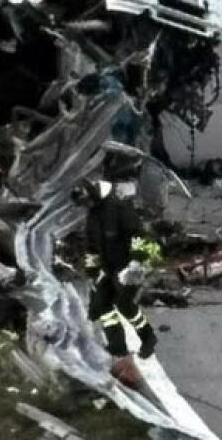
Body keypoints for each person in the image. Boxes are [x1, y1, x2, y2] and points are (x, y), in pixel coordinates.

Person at [76, 152, 157, 390]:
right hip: (109, 268)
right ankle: (118, 348)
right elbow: (91, 247)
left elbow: (139, 235)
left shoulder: (119, 208)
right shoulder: (93, 216)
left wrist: (136, 264)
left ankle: (148, 337)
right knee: (102, 306)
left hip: (129, 266)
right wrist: (93, 272)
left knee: (125, 305)